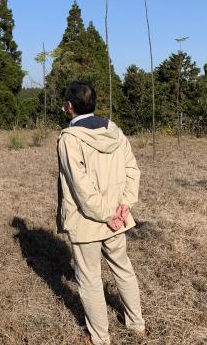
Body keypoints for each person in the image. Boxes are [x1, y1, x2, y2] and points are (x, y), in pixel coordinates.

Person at [56, 82, 145, 345]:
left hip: (88, 222)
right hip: (117, 217)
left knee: (90, 279)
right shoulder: (115, 131)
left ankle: (99, 338)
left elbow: (80, 187)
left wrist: (108, 213)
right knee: (123, 268)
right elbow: (133, 170)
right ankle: (137, 325)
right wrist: (124, 205)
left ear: (69, 106)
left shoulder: (69, 140)